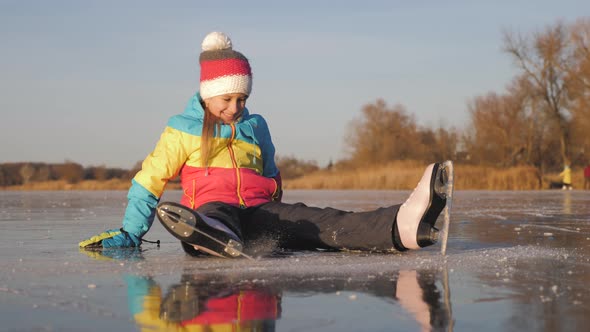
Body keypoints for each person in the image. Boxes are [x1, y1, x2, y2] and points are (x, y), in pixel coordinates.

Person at [79, 31, 450, 255]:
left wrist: (279, 206)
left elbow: (271, 171)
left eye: (241, 99)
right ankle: (213, 237)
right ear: (208, 96)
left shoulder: (256, 125)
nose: (235, 108)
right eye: (226, 100)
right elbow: (149, 180)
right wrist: (131, 232)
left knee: (321, 222)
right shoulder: (184, 128)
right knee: (215, 214)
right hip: (211, 212)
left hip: (260, 214)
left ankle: (401, 225)